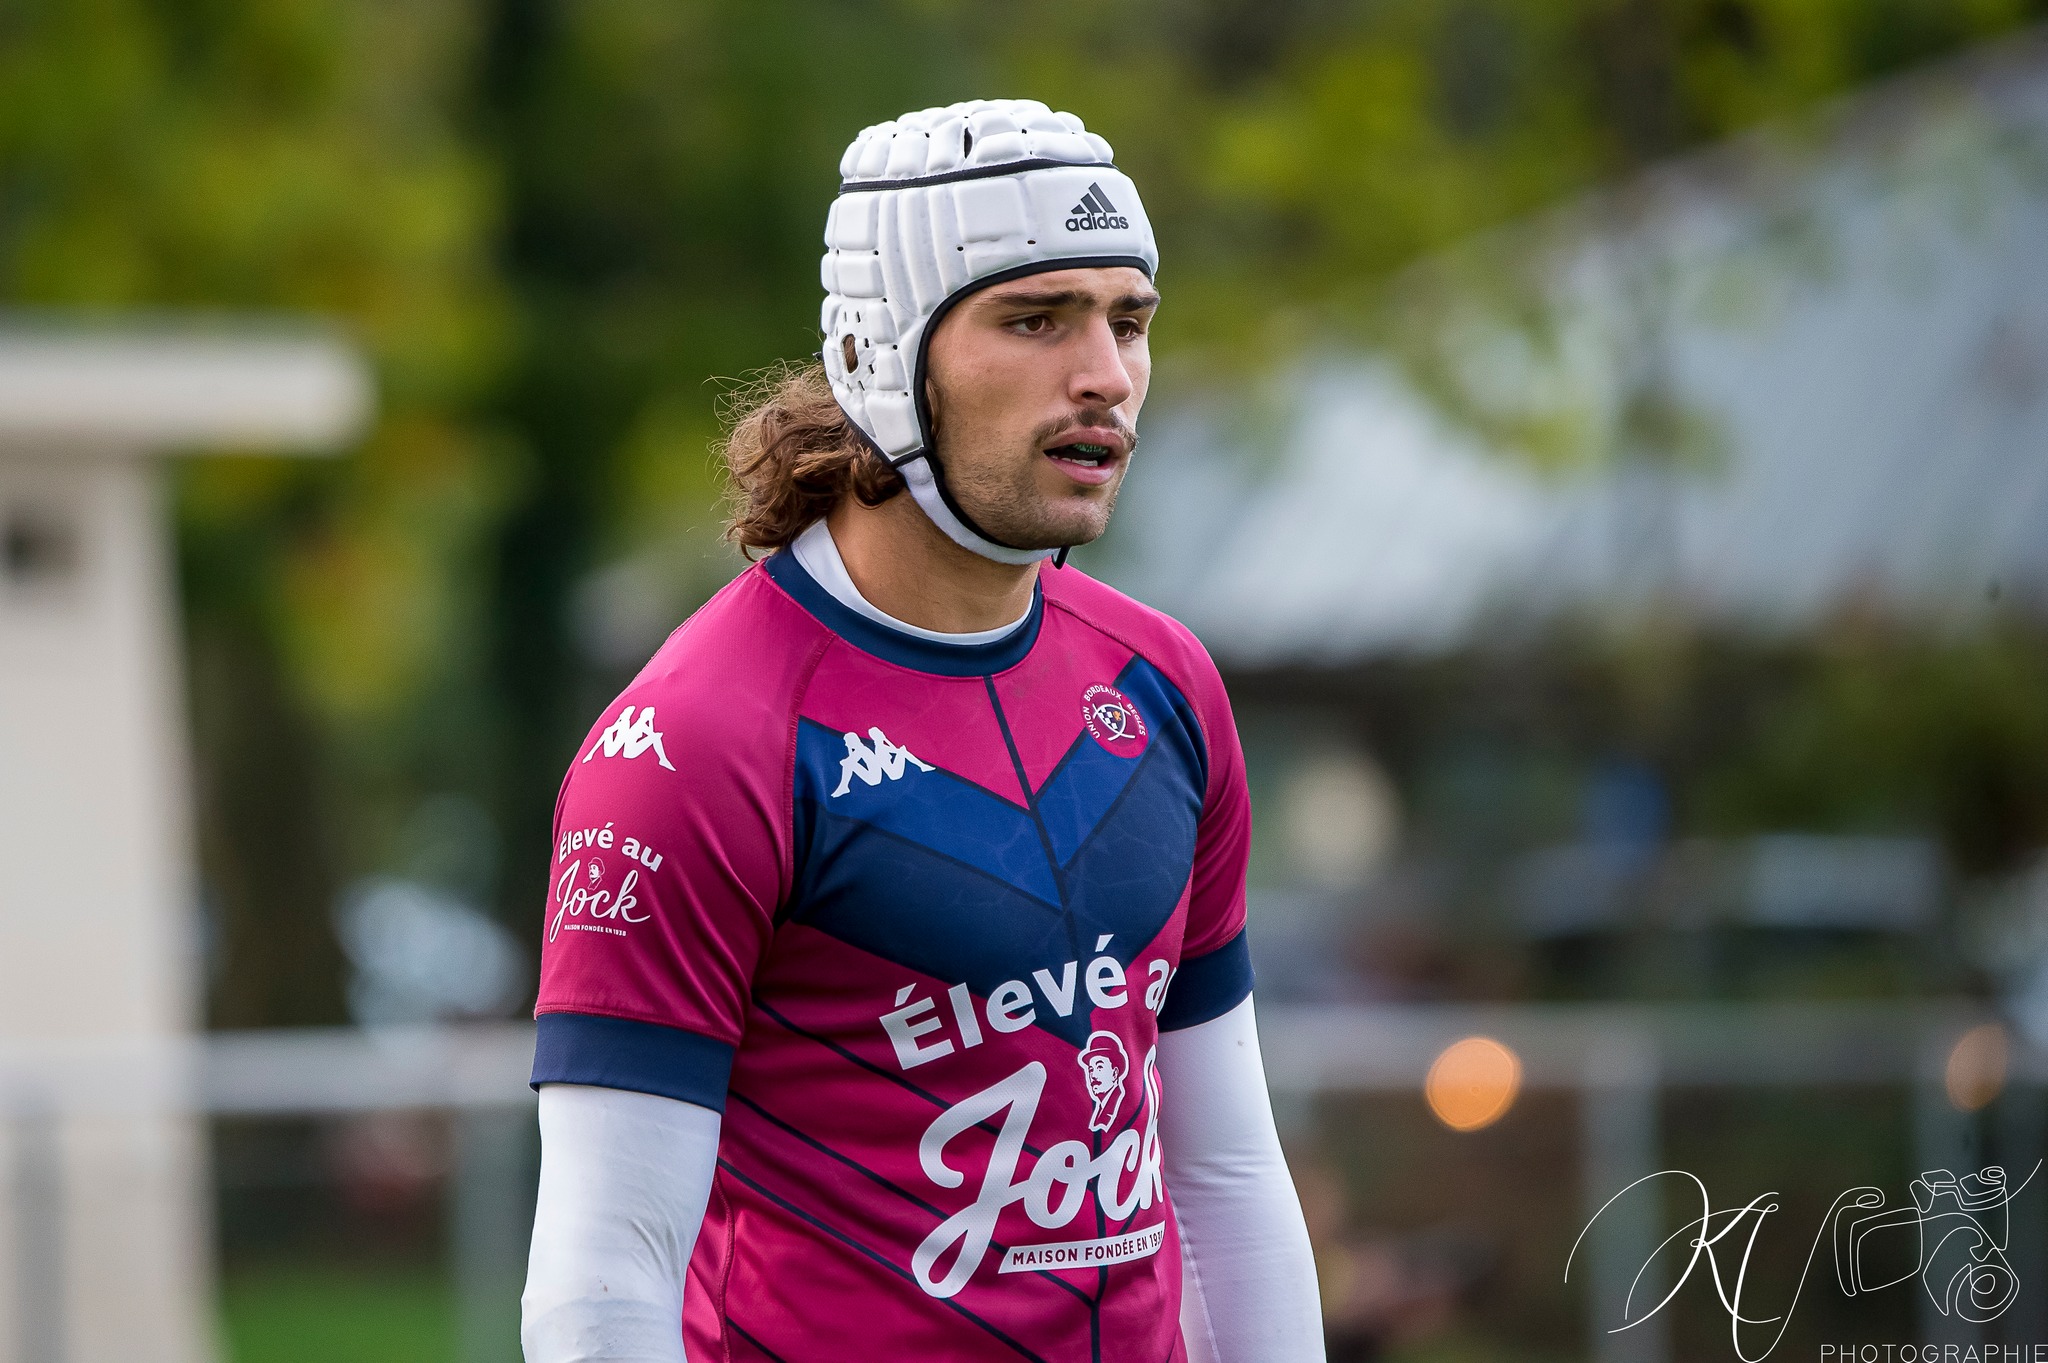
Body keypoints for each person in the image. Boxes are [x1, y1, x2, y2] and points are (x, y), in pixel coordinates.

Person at [520, 97, 1325, 1362]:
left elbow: (1222, 1176)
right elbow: (602, 1279)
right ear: (877, 356)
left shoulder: (1164, 683)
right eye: (1034, 316)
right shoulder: (697, 741)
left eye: (1127, 319)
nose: (1105, 374)